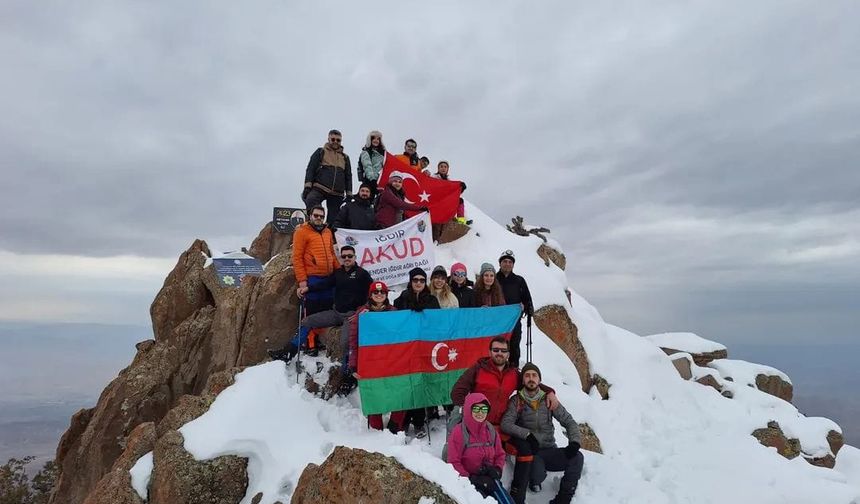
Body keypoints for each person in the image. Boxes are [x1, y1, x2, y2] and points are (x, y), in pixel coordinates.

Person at [269, 245, 371, 362]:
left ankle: (348, 371)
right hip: (336, 313)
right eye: (344, 256)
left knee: (345, 343)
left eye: (350, 256)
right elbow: (324, 284)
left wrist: (362, 311)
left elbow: (373, 293)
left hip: (351, 316)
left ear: (355, 257)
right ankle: (288, 353)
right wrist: (307, 288)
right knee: (307, 321)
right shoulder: (338, 273)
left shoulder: (362, 274)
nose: (347, 258)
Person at [501, 363, 584, 504]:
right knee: (537, 473)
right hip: (531, 452)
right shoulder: (516, 401)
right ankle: (534, 482)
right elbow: (506, 424)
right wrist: (527, 434)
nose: (531, 378)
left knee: (577, 457)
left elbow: (569, 421)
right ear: (523, 380)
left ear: (539, 379)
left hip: (550, 450)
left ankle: (563, 499)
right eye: (527, 376)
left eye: (534, 375)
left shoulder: (548, 399)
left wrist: (574, 442)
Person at [450, 337, 557, 431]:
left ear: (508, 354)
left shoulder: (513, 374)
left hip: (500, 427)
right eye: (496, 350)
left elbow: (530, 383)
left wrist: (549, 392)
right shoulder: (478, 369)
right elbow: (457, 392)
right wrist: (469, 414)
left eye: (503, 350)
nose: (499, 353)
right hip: (476, 423)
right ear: (490, 352)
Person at [347, 281, 402, 429]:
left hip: (391, 362)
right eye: (375, 293)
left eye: (382, 292)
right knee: (374, 394)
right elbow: (353, 340)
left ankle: (395, 425)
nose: (379, 295)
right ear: (370, 295)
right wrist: (353, 365)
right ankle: (376, 429)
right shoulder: (362, 313)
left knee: (399, 392)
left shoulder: (394, 312)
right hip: (371, 362)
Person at [393, 267, 441, 437]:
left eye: (422, 280)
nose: (419, 283)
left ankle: (419, 423)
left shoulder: (432, 300)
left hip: (424, 349)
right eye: (415, 280)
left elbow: (438, 324)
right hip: (406, 349)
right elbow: (393, 321)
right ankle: (405, 420)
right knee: (407, 385)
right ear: (410, 281)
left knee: (420, 384)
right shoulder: (401, 300)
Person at [446, 392, 508, 502]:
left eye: (484, 409)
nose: (480, 413)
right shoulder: (459, 432)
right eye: (476, 409)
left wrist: (497, 469)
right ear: (468, 409)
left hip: (489, 477)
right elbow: (453, 462)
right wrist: (471, 479)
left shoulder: (490, 430)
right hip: (467, 483)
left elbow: (500, 454)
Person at [292, 205, 340, 316]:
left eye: (322, 216)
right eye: (316, 215)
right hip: (313, 278)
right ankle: (310, 333)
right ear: (310, 216)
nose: (319, 218)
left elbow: (331, 253)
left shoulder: (327, 232)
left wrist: (339, 270)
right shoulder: (301, 232)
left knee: (328, 310)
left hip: (328, 277)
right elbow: (297, 257)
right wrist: (302, 281)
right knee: (313, 311)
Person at [302, 129, 352, 226]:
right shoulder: (321, 151)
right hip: (320, 187)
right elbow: (310, 169)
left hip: (337, 192)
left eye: (338, 140)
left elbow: (348, 176)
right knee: (311, 199)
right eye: (333, 139)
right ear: (328, 139)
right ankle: (314, 223)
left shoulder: (345, 157)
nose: (335, 142)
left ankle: (329, 233)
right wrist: (307, 186)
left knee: (334, 218)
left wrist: (349, 193)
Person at [497, 250, 534, 368]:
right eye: (504, 261)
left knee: (514, 347)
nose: (507, 264)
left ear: (513, 264)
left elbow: (528, 300)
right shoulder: (494, 278)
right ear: (500, 263)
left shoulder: (519, 281)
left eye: (510, 262)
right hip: (496, 323)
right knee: (497, 347)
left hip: (514, 322)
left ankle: (513, 370)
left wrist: (526, 307)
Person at [432, 161, 470, 225]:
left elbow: (453, 193)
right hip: (435, 200)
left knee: (460, 200)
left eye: (445, 167)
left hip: (444, 201)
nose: (443, 168)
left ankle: (461, 220)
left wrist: (461, 188)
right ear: (438, 168)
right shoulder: (433, 177)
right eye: (441, 166)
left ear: (447, 169)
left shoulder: (449, 181)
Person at [357, 130, 385, 197]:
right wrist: (372, 179)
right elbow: (367, 166)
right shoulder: (366, 152)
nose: (376, 140)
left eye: (378, 139)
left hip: (380, 182)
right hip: (370, 181)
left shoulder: (383, 153)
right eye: (374, 138)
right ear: (370, 139)